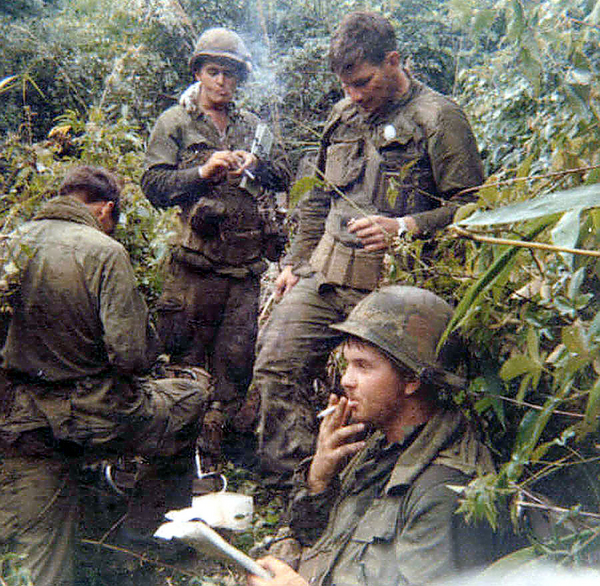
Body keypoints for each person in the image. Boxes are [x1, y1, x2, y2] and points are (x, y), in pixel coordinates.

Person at [252, 11, 485, 479]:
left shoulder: (438, 118)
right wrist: (295, 264)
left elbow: (476, 206)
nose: (354, 96)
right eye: (346, 86)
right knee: (275, 365)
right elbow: (316, 197)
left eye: (363, 82)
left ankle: (368, 488)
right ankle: (299, 482)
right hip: (323, 276)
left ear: (393, 61)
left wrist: (407, 226)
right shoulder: (343, 117)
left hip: (391, 292)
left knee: (382, 400)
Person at [0, 166, 211, 586]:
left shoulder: (9, 243)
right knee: (190, 399)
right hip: (92, 415)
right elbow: (129, 356)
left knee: (39, 560)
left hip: (21, 423)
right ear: (106, 210)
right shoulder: (103, 251)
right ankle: (146, 536)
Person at [248, 285, 503, 586]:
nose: (346, 380)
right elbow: (316, 537)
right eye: (347, 364)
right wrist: (318, 480)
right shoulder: (383, 443)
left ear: (411, 379)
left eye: (363, 366)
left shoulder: (443, 489)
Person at [141, 27, 290, 469]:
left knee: (236, 365)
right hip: (194, 269)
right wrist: (202, 172)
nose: (223, 82)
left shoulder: (251, 127)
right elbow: (153, 185)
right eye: (214, 72)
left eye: (231, 74)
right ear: (199, 73)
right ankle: (174, 459)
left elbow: (285, 172)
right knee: (184, 360)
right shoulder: (176, 123)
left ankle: (217, 456)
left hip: (243, 271)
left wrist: (256, 164)